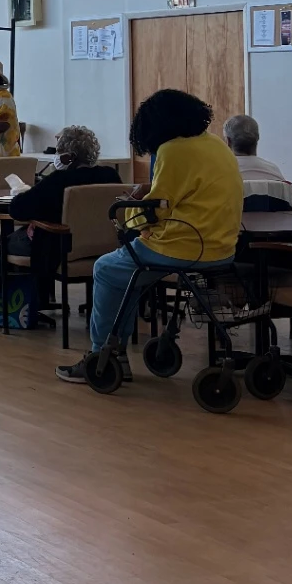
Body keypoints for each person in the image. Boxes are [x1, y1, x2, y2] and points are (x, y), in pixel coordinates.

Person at [55, 90, 243, 383]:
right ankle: (113, 351)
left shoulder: (172, 150)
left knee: (106, 270)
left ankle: (102, 355)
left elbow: (156, 211)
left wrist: (131, 207)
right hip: (222, 248)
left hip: (181, 248)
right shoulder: (216, 144)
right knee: (128, 274)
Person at [0, 125, 120, 318]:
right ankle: (38, 298)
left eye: (59, 150)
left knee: (0, 252)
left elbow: (19, 209)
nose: (56, 155)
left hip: (57, 247)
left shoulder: (58, 180)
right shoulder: (111, 176)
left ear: (69, 157)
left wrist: (23, 194)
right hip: (104, 248)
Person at [223, 114, 292, 210]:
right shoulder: (274, 171)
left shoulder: (219, 174)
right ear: (257, 138)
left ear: (228, 141)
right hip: (274, 224)